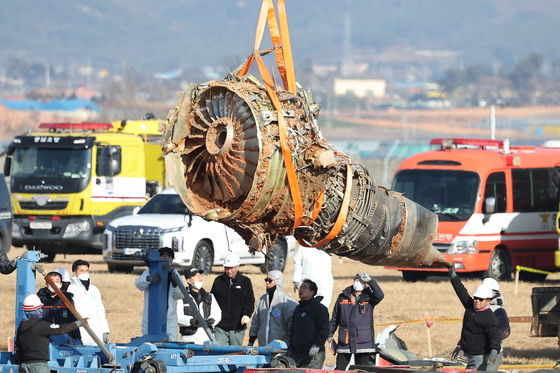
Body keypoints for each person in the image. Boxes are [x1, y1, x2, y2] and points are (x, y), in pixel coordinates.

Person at [328, 271, 384, 370]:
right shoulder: (342, 297)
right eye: (356, 280)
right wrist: (329, 336)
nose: (358, 282)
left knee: (362, 369)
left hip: (364, 342)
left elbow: (380, 295)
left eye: (361, 280)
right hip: (345, 341)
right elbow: (334, 319)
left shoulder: (370, 297)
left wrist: (371, 281)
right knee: (340, 369)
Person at [452, 277, 510, 370]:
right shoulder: (474, 309)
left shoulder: (497, 311)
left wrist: (493, 348)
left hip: (488, 354)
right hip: (474, 354)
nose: (478, 300)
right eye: (476, 297)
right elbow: (472, 330)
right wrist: (461, 345)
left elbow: (504, 331)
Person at [15, 294, 83, 373]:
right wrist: (78, 323)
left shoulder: (21, 327)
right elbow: (61, 329)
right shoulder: (42, 326)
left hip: (24, 365)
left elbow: (18, 347)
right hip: (39, 366)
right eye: (40, 308)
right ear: (37, 309)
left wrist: (20, 364)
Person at [136, 247, 183, 341]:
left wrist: (175, 283)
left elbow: (180, 295)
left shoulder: (175, 274)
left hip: (170, 319)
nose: (166, 258)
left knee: (171, 347)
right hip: (151, 318)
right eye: (163, 256)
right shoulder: (150, 271)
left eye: (169, 256)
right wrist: (149, 279)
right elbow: (139, 284)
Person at [211, 252, 255, 346]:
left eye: (231, 268)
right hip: (220, 327)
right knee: (220, 353)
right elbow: (212, 301)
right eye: (227, 268)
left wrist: (246, 314)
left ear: (237, 267)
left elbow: (249, 301)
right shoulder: (218, 281)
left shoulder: (245, 282)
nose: (229, 271)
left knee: (234, 355)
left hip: (237, 328)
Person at [288, 279, 330, 369]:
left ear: (312, 292)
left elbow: (325, 329)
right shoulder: (298, 309)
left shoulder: (320, 309)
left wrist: (317, 345)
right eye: (300, 287)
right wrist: (290, 348)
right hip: (296, 354)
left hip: (313, 354)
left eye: (305, 287)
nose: (301, 290)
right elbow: (292, 329)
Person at [249, 270, 297, 347]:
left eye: (270, 281)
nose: (267, 283)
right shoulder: (261, 301)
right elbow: (255, 323)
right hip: (263, 347)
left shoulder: (286, 303)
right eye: (266, 280)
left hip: (280, 348)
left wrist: (289, 346)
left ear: (278, 282)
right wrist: (251, 342)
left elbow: (292, 328)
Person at [67, 259, 110, 346]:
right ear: (75, 272)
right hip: (81, 331)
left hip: (97, 331)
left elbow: (100, 311)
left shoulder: (94, 289)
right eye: (82, 271)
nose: (85, 273)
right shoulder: (71, 289)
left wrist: (105, 330)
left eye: (87, 271)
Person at [177, 267, 221, 344]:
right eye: (196, 276)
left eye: (200, 275)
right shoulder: (181, 296)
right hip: (188, 339)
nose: (200, 278)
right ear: (188, 280)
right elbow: (177, 316)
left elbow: (217, 313)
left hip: (207, 337)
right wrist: (191, 321)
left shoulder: (209, 296)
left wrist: (212, 320)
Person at [36, 271, 80, 340]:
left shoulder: (67, 299)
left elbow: (73, 319)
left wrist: (77, 338)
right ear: (47, 283)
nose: (54, 284)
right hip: (44, 338)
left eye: (57, 281)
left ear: (61, 284)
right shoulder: (39, 298)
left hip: (65, 337)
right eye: (52, 281)